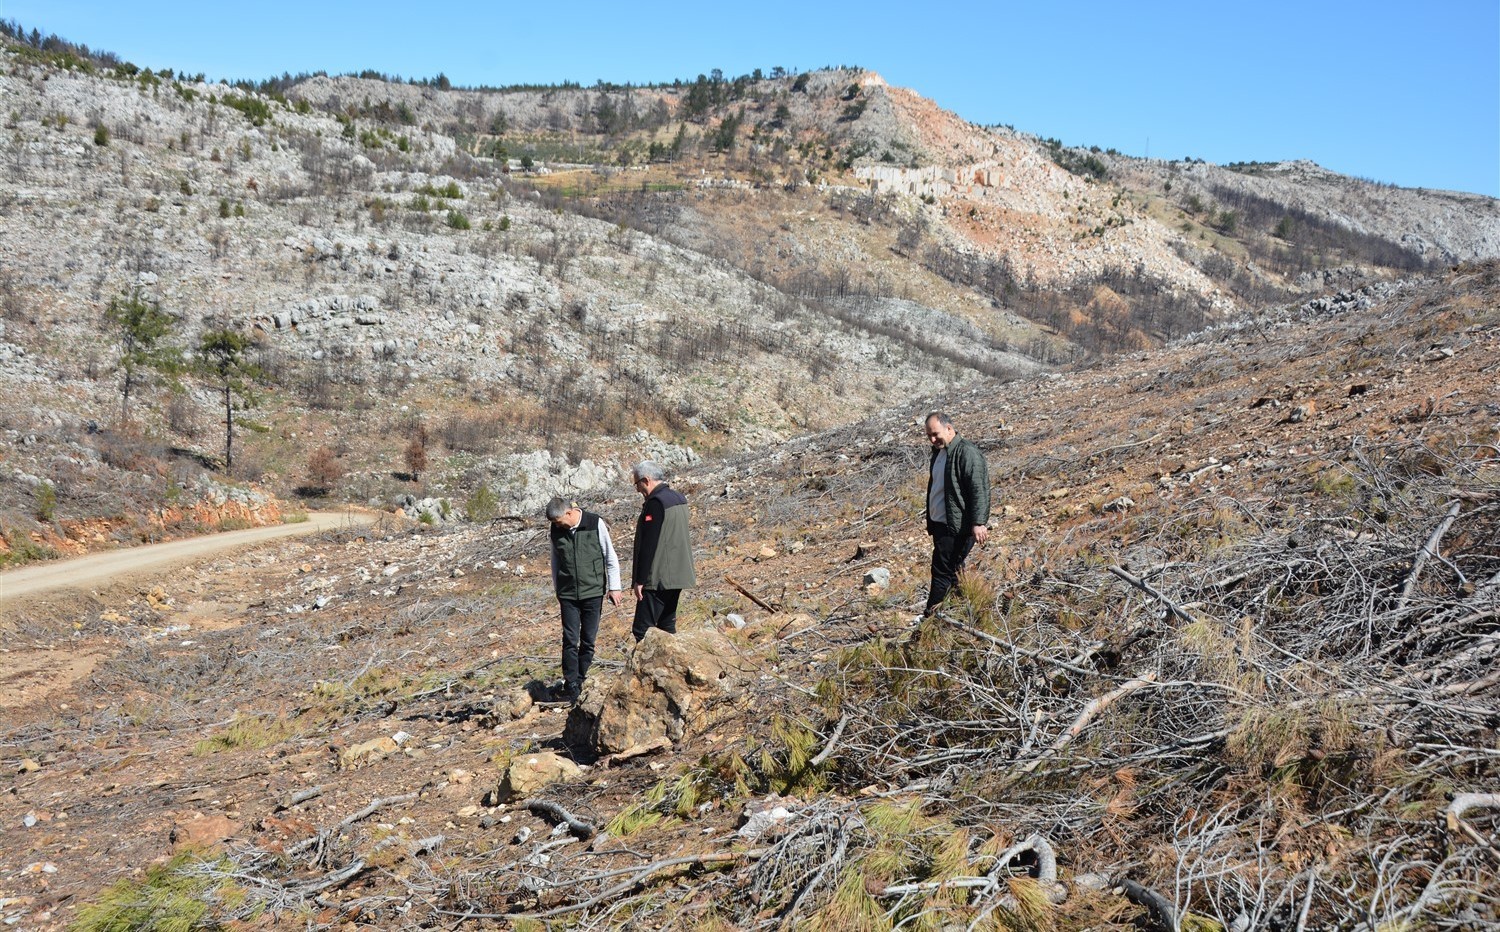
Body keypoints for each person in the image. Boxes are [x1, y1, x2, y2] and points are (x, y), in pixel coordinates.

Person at [546, 497, 622, 703]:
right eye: (554, 523)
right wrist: (558, 590)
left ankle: (581, 677)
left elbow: (610, 557)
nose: (557, 526)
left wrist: (615, 587)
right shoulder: (555, 531)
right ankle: (571, 683)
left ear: (570, 513)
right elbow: (555, 561)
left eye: (559, 521)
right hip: (568, 595)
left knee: (588, 640)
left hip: (593, 592)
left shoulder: (594, 523)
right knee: (570, 640)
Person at [922, 411, 990, 614]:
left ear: (949, 428)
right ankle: (961, 611)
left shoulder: (966, 453)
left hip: (956, 527)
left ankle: (931, 617)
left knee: (941, 572)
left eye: (935, 434)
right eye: (929, 436)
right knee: (953, 571)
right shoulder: (940, 453)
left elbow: (979, 488)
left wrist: (978, 522)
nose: (933, 440)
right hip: (941, 524)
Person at [629, 461, 696, 640]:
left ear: (646, 480)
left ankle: (644, 667)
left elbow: (649, 543)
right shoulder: (678, 498)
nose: (637, 490)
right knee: (667, 626)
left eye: (637, 484)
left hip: (658, 578)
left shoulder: (656, 502)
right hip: (678, 575)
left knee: (642, 630)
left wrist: (640, 580)